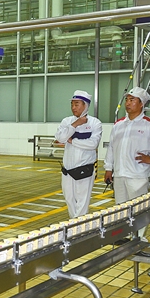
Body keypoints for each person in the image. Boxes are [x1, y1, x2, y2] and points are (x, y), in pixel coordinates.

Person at [104, 87, 150, 206]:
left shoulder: (149, 125)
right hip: (119, 175)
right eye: (127, 100)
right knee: (120, 209)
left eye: (132, 100)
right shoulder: (118, 125)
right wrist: (108, 168)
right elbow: (111, 147)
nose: (128, 103)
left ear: (141, 104)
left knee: (138, 210)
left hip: (137, 177)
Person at [55, 90, 102, 218]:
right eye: (72, 104)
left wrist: (72, 141)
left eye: (77, 104)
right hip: (67, 171)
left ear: (85, 105)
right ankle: (74, 224)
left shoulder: (95, 123)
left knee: (82, 202)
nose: (73, 107)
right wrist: (75, 124)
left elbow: (93, 144)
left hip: (84, 170)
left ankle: (79, 227)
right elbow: (60, 137)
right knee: (69, 200)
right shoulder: (67, 121)